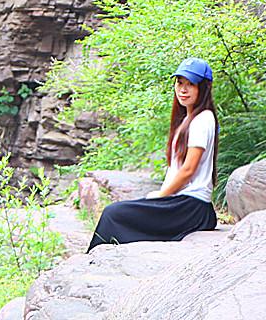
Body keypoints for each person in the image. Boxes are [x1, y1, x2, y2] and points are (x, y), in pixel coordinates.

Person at [87, 57, 219, 249]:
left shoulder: (202, 119)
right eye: (180, 83)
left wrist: (161, 195)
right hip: (185, 204)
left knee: (113, 214)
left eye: (191, 84)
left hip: (191, 208)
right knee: (118, 214)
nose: (183, 89)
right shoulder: (188, 119)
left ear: (204, 88)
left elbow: (188, 169)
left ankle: (93, 261)